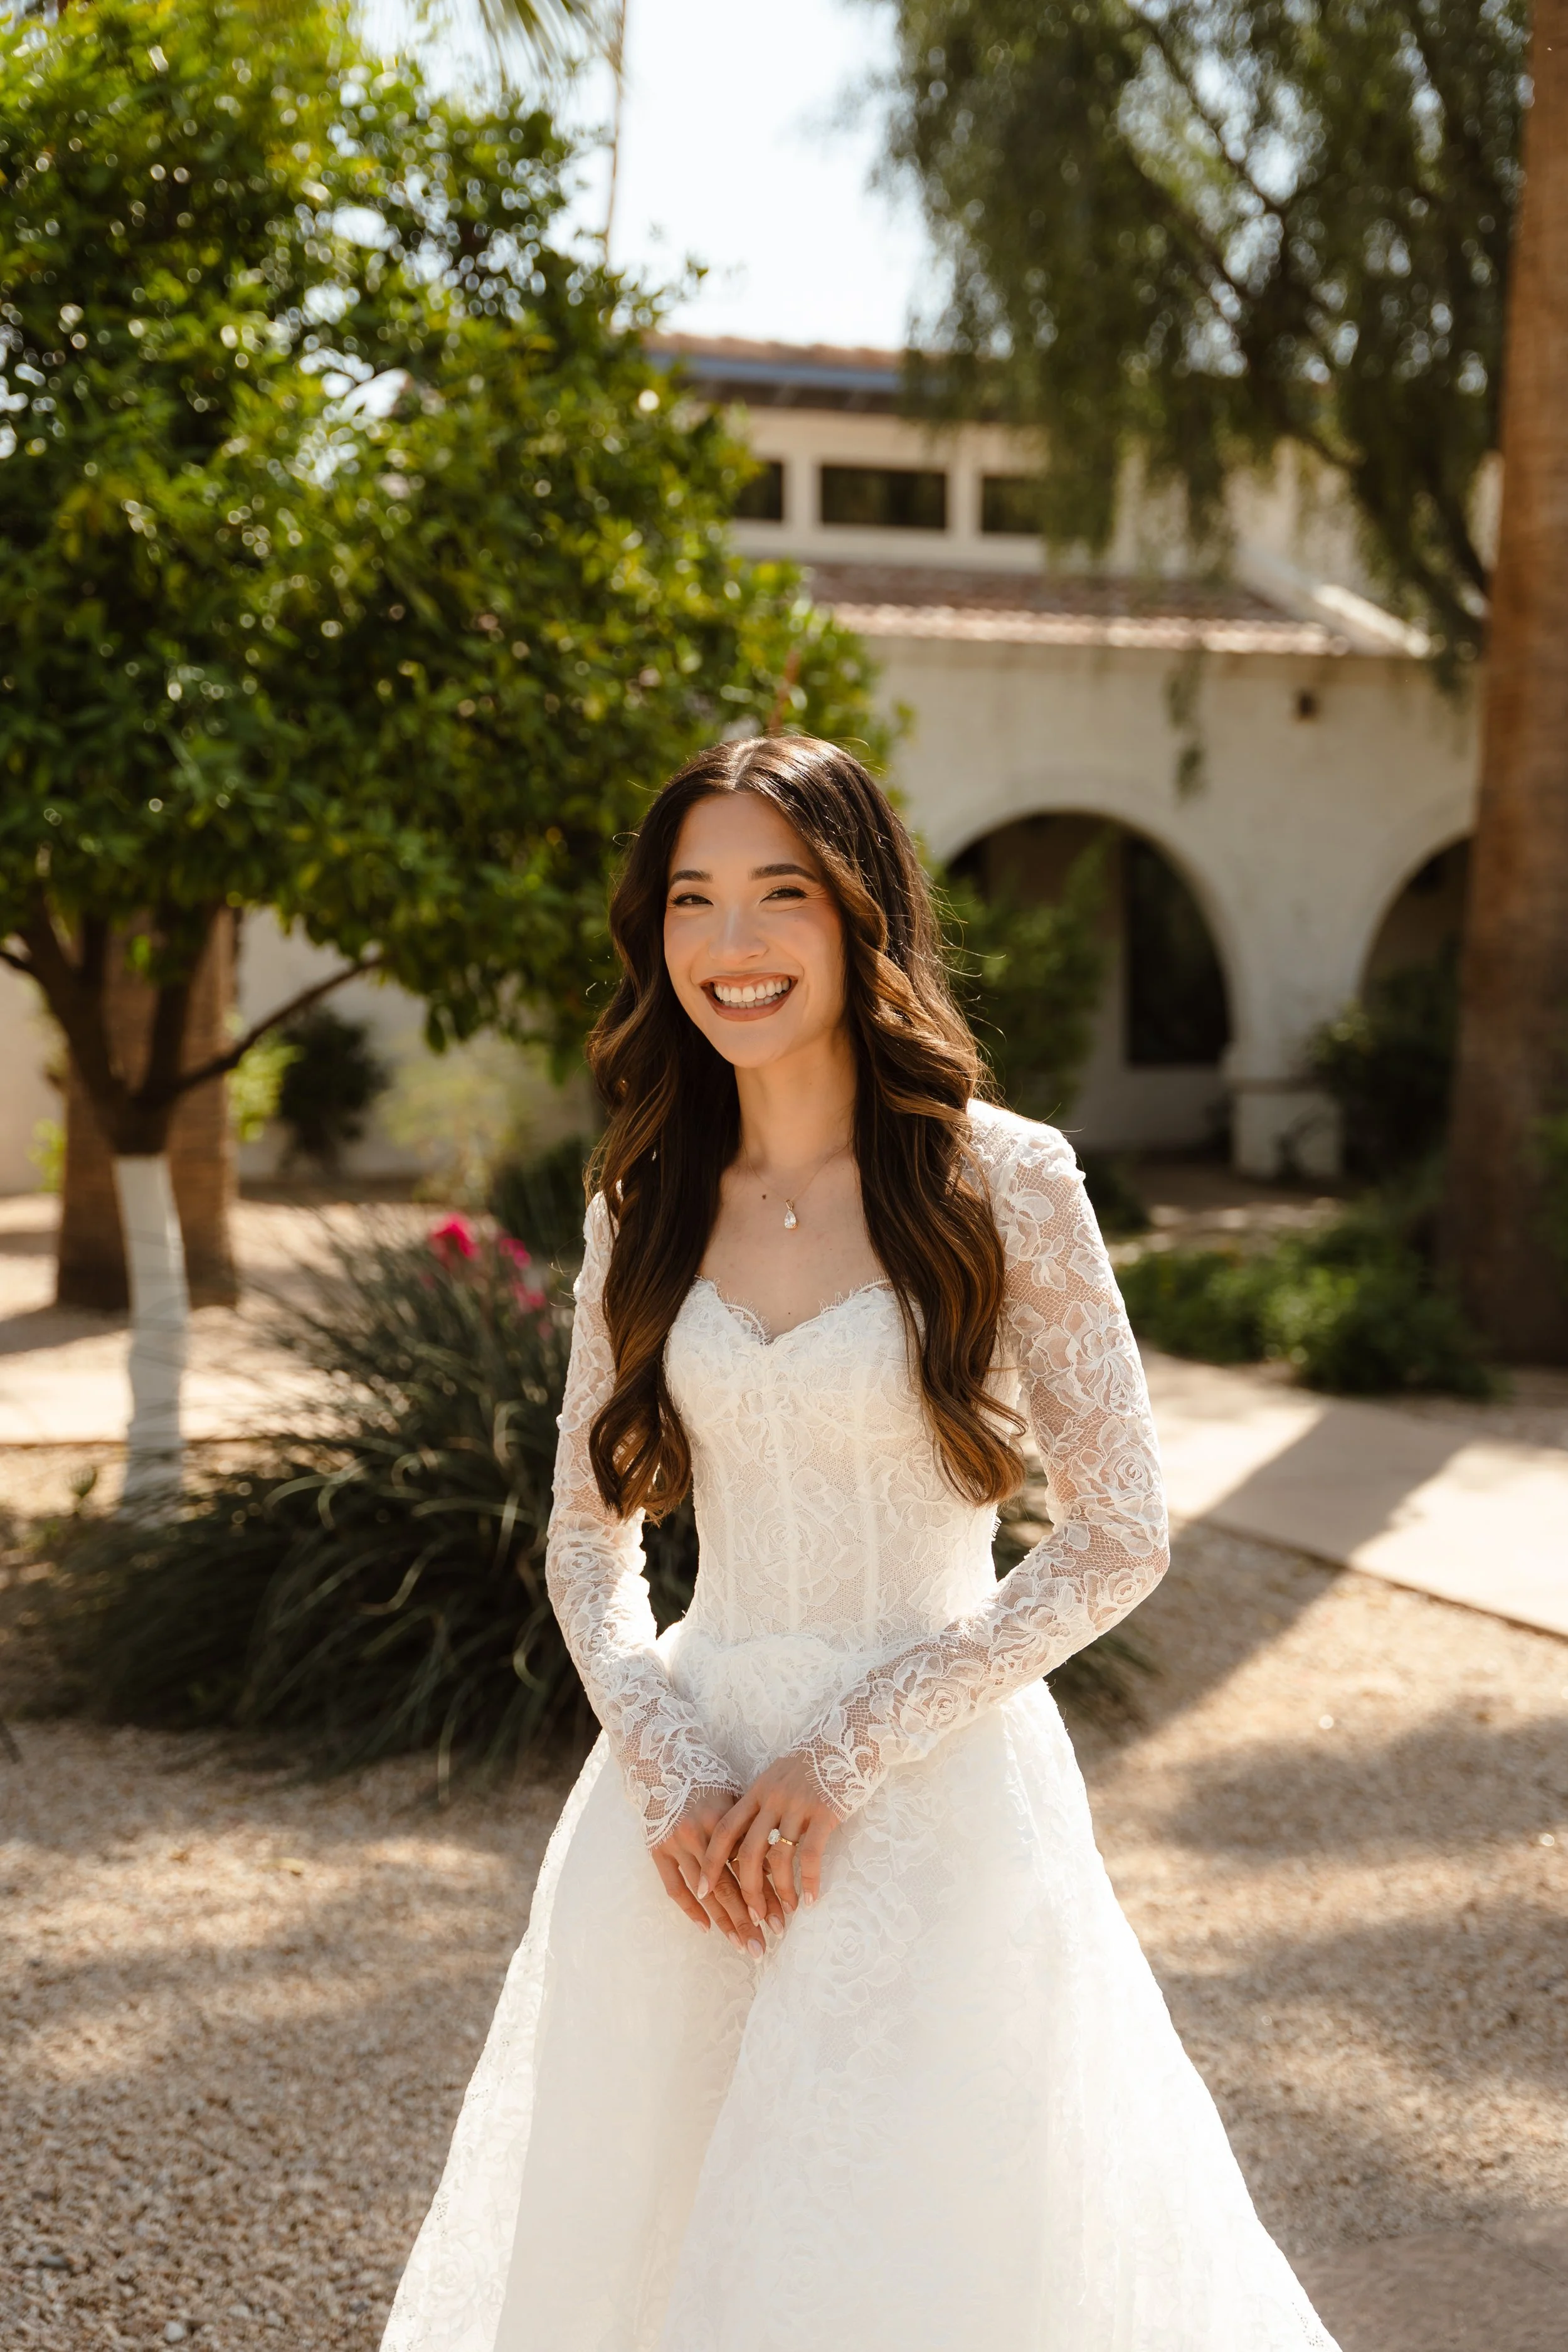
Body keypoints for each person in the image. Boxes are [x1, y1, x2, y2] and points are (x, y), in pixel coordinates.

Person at [382, 736, 1338, 2352]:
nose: (731, 947)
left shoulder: (1006, 1178)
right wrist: (675, 1765)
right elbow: (581, 1541)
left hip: (934, 1796)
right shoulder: (646, 1194)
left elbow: (1122, 1536)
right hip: (683, 1809)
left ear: (860, 917)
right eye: (693, 900)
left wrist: (851, 1749)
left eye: (779, 898)